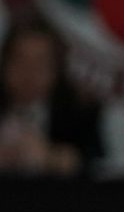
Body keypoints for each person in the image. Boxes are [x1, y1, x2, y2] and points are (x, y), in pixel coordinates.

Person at [0, 13, 103, 175]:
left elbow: (97, 168)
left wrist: (54, 158)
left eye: (40, 63)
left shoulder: (79, 112)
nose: (29, 72)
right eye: (20, 60)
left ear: (57, 68)